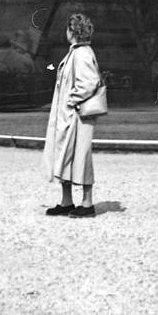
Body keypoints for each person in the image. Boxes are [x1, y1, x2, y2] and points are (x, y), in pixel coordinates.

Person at [43, 12, 102, 218]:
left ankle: (87, 203)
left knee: (80, 157)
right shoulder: (75, 52)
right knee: (65, 156)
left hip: (77, 116)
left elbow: (89, 82)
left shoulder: (82, 53)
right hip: (69, 116)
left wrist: (71, 101)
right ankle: (67, 201)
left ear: (72, 31)